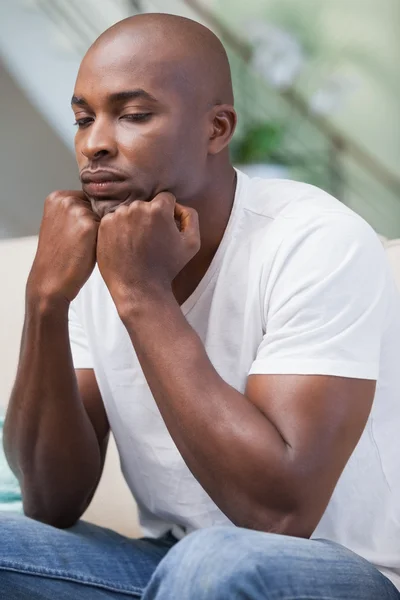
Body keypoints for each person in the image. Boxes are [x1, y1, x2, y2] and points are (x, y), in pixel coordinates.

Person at [2, 12, 400, 600]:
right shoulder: (97, 246)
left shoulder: (315, 241)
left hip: (342, 570)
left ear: (217, 129)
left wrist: (142, 295)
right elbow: (51, 499)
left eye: (133, 115)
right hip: (171, 567)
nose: (94, 142)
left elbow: (279, 517)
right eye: (84, 118)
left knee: (215, 564)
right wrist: (45, 300)